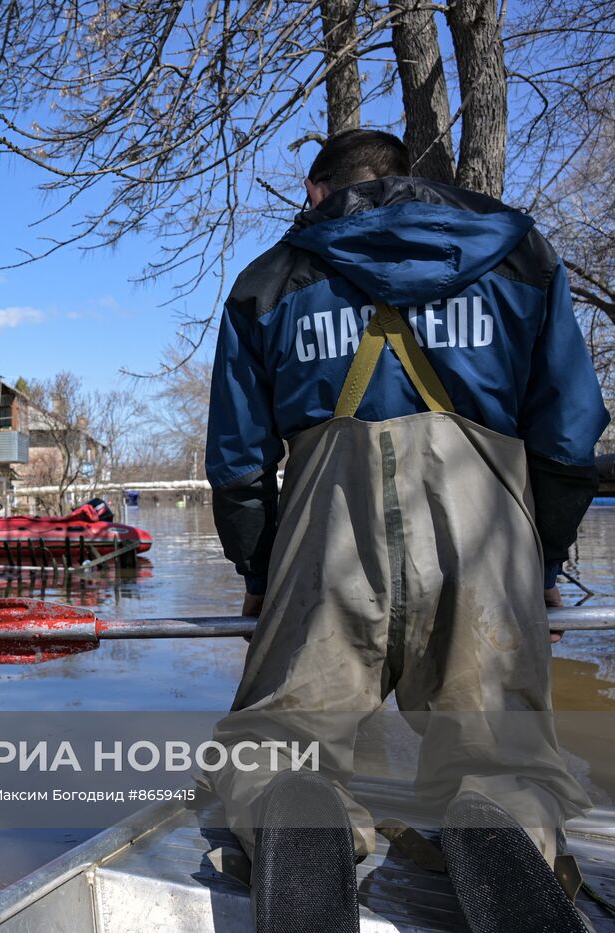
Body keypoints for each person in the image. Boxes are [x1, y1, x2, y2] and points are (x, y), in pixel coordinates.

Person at [205, 129, 607, 932]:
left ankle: (298, 811)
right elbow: (568, 439)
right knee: (503, 751)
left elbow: (240, 465)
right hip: (483, 544)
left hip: (328, 548)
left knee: (281, 744)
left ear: (317, 192)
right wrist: (542, 557)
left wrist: (260, 578)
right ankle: (501, 827)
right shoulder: (519, 255)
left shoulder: (269, 282)